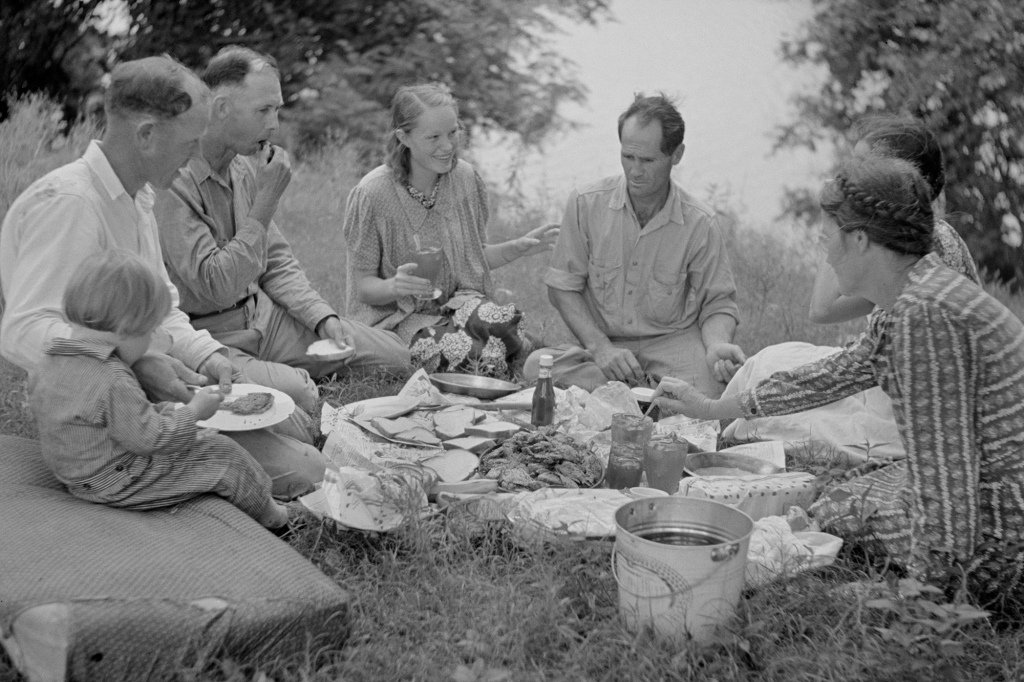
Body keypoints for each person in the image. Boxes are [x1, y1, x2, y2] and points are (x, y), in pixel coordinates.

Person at [652, 154, 1024, 607]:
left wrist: (919, 599)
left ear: (861, 240)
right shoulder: (917, 291)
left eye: (828, 238)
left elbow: (947, 482)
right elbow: (830, 376)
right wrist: (709, 408)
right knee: (832, 504)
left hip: (1005, 532)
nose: (825, 252)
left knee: (840, 512)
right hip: (987, 491)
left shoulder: (924, 318)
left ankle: (936, 589)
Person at [0, 56, 327, 499]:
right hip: (104, 413)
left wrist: (209, 358)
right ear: (147, 135)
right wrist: (133, 362)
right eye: (190, 141)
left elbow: (165, 312)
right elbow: (23, 332)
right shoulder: (70, 203)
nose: (197, 154)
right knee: (307, 471)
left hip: (149, 386)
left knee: (296, 425)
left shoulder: (139, 198)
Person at [154, 46, 411, 406]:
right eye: (264, 110)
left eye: (276, 109)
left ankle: (291, 365)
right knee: (300, 394)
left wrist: (321, 318)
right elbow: (218, 286)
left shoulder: (243, 164)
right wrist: (265, 202)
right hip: (213, 336)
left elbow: (276, 262)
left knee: (397, 355)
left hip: (265, 318)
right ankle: (278, 378)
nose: (274, 124)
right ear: (222, 108)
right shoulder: (173, 182)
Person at [30, 250, 291, 532]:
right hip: (115, 480)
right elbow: (151, 439)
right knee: (222, 453)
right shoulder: (112, 376)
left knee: (197, 442)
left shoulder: (48, 362)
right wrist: (194, 412)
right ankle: (273, 516)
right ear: (127, 329)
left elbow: (99, 421)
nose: (150, 343)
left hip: (76, 472)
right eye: (150, 332)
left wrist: (166, 412)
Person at [524, 93, 744, 396]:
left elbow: (718, 304)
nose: (635, 171)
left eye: (648, 160)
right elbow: (562, 287)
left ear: (676, 155)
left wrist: (717, 345)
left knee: (716, 390)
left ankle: (628, 398)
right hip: (603, 348)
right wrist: (600, 347)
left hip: (672, 346)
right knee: (536, 366)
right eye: (628, 157)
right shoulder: (586, 203)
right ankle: (651, 401)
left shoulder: (700, 224)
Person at [342, 83, 559, 375]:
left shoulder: (465, 179)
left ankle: (539, 355)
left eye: (453, 132)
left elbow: (475, 257)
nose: (447, 146)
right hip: (399, 322)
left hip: (457, 304)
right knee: (472, 354)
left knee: (501, 321)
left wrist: (517, 248)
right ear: (403, 137)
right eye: (433, 137)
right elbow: (363, 288)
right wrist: (395, 286)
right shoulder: (372, 195)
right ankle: (507, 355)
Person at [809, 114, 980, 323]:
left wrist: (838, 213)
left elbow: (823, 310)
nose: (850, 175)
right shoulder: (903, 233)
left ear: (897, 178)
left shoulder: (919, 243)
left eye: (863, 165)